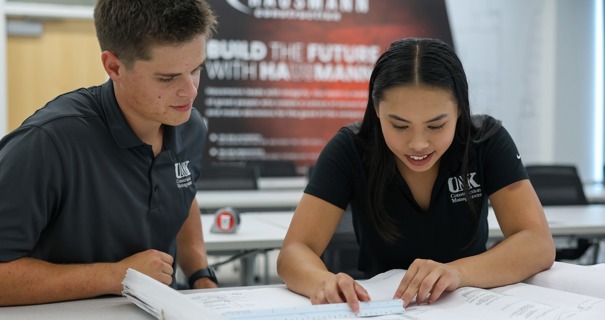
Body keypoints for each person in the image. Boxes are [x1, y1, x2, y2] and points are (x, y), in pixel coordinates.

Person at [276, 38, 555, 313]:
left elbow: (537, 243)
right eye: (399, 125)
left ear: (459, 110)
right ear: (377, 111)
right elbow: (294, 251)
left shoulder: (486, 142)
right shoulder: (350, 149)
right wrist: (322, 281)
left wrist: (456, 272)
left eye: (436, 126)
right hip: (382, 308)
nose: (418, 144)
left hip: (472, 305)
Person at [0, 0, 218, 306]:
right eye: (167, 78)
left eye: (196, 69)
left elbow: (182, 192)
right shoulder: (48, 142)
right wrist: (117, 275)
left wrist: (200, 276)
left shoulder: (189, 125)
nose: (191, 91)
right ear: (114, 66)